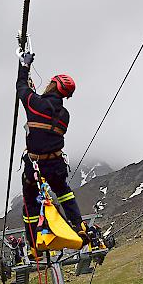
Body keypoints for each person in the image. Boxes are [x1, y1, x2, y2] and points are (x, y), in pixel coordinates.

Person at [16, 51, 87, 251]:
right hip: (56, 163)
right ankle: (78, 224)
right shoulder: (65, 114)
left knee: (30, 202)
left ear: (54, 85)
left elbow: (21, 88)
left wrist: (24, 67)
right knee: (63, 192)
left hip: (36, 165)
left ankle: (34, 243)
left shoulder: (36, 103)